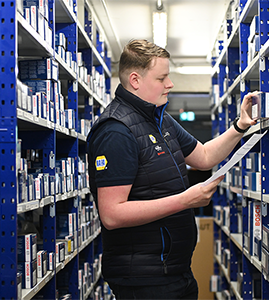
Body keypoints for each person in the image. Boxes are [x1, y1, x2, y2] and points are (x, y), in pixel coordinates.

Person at [87, 39, 256, 300]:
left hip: (173, 270)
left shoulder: (160, 120)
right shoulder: (116, 131)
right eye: (162, 77)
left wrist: (240, 127)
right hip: (144, 279)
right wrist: (185, 200)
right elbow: (112, 214)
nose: (170, 84)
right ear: (135, 80)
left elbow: (205, 156)